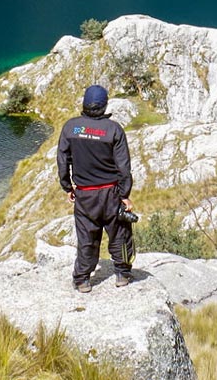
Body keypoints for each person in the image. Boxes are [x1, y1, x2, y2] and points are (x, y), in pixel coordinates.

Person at [57, 84, 134, 293]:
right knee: (119, 234)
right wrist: (124, 194)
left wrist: (67, 186)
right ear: (104, 105)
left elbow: (63, 160)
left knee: (86, 237)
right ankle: (122, 274)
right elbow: (123, 167)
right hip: (111, 193)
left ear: (85, 103)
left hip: (85, 195)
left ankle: (82, 279)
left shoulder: (71, 128)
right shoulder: (114, 130)